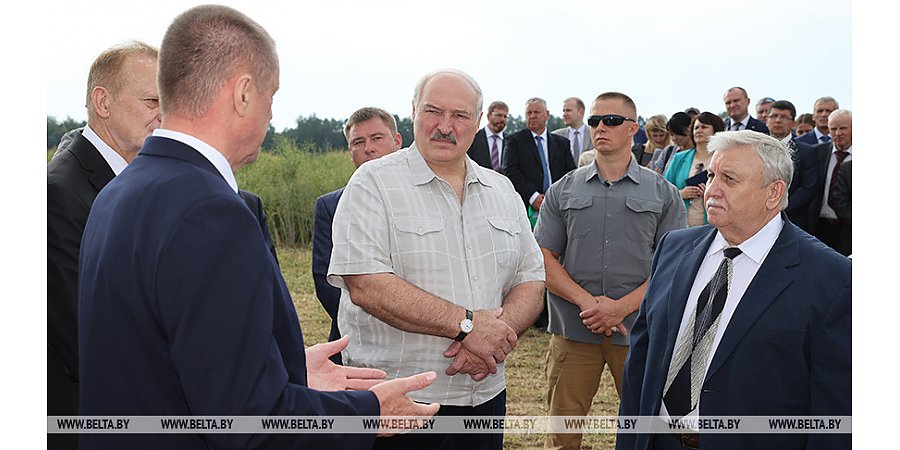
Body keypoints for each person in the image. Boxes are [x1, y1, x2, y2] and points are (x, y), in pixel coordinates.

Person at [78, 6, 438, 449]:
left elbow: (161, 357)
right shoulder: (212, 212)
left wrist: (285, 368)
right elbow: (248, 423)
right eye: (272, 94)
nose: (270, 115)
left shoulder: (119, 191)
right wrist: (368, 411)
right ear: (243, 94)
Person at [328, 69, 546, 450]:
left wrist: (492, 338)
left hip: (485, 396)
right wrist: (466, 326)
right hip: (397, 401)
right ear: (413, 112)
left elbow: (531, 279)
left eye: (460, 116)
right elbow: (367, 284)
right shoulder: (373, 184)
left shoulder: (502, 190)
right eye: (433, 111)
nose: (445, 126)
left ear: (478, 123)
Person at [618, 130, 850, 450]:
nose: (711, 189)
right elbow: (640, 366)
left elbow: (835, 416)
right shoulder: (673, 248)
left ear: (773, 193)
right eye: (712, 174)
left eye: (729, 178)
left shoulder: (832, 279)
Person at [535, 92, 686, 450]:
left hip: (638, 333)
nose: (600, 127)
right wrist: (590, 304)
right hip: (574, 330)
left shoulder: (664, 193)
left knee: (646, 432)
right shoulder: (562, 190)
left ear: (633, 129)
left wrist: (620, 308)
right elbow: (543, 256)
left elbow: (675, 266)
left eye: (612, 121)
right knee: (562, 434)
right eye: (594, 121)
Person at [47, 40, 159, 450]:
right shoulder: (57, 195)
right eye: (152, 100)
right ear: (103, 102)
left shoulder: (127, 184)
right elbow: (84, 342)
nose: (165, 115)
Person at [313, 107, 402, 363]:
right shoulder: (330, 206)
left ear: (397, 141)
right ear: (349, 151)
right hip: (353, 340)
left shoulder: (427, 198)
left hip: (424, 341)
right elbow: (325, 279)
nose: (369, 148)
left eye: (377, 138)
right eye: (358, 142)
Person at [503, 97, 576, 211]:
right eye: (529, 113)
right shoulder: (514, 141)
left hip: (558, 204)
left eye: (536, 112)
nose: (532, 116)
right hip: (526, 206)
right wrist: (533, 196)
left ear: (547, 115)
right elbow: (510, 171)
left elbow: (571, 174)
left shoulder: (562, 143)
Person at [664, 112, 725, 227]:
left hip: (712, 227)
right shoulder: (679, 158)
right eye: (696, 127)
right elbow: (663, 190)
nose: (699, 130)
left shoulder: (724, 159)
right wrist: (681, 193)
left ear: (716, 130)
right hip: (680, 226)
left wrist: (710, 193)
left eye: (704, 127)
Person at [765, 100, 818, 232]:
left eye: (783, 117)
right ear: (767, 120)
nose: (778, 120)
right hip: (757, 219)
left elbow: (808, 188)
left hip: (793, 222)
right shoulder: (755, 149)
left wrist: (778, 208)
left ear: (793, 124)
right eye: (774, 116)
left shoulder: (807, 151)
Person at [809, 109, 852, 256]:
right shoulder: (816, 152)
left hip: (850, 230)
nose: (838, 133)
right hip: (819, 227)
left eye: (843, 128)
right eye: (833, 128)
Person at [468, 100, 509, 171]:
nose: (502, 119)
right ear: (489, 116)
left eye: (505, 116)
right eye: (499, 115)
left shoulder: (510, 141)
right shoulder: (473, 138)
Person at [552, 97, 593, 164]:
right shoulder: (555, 136)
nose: (564, 114)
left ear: (581, 113)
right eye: (563, 111)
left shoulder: (594, 134)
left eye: (568, 110)